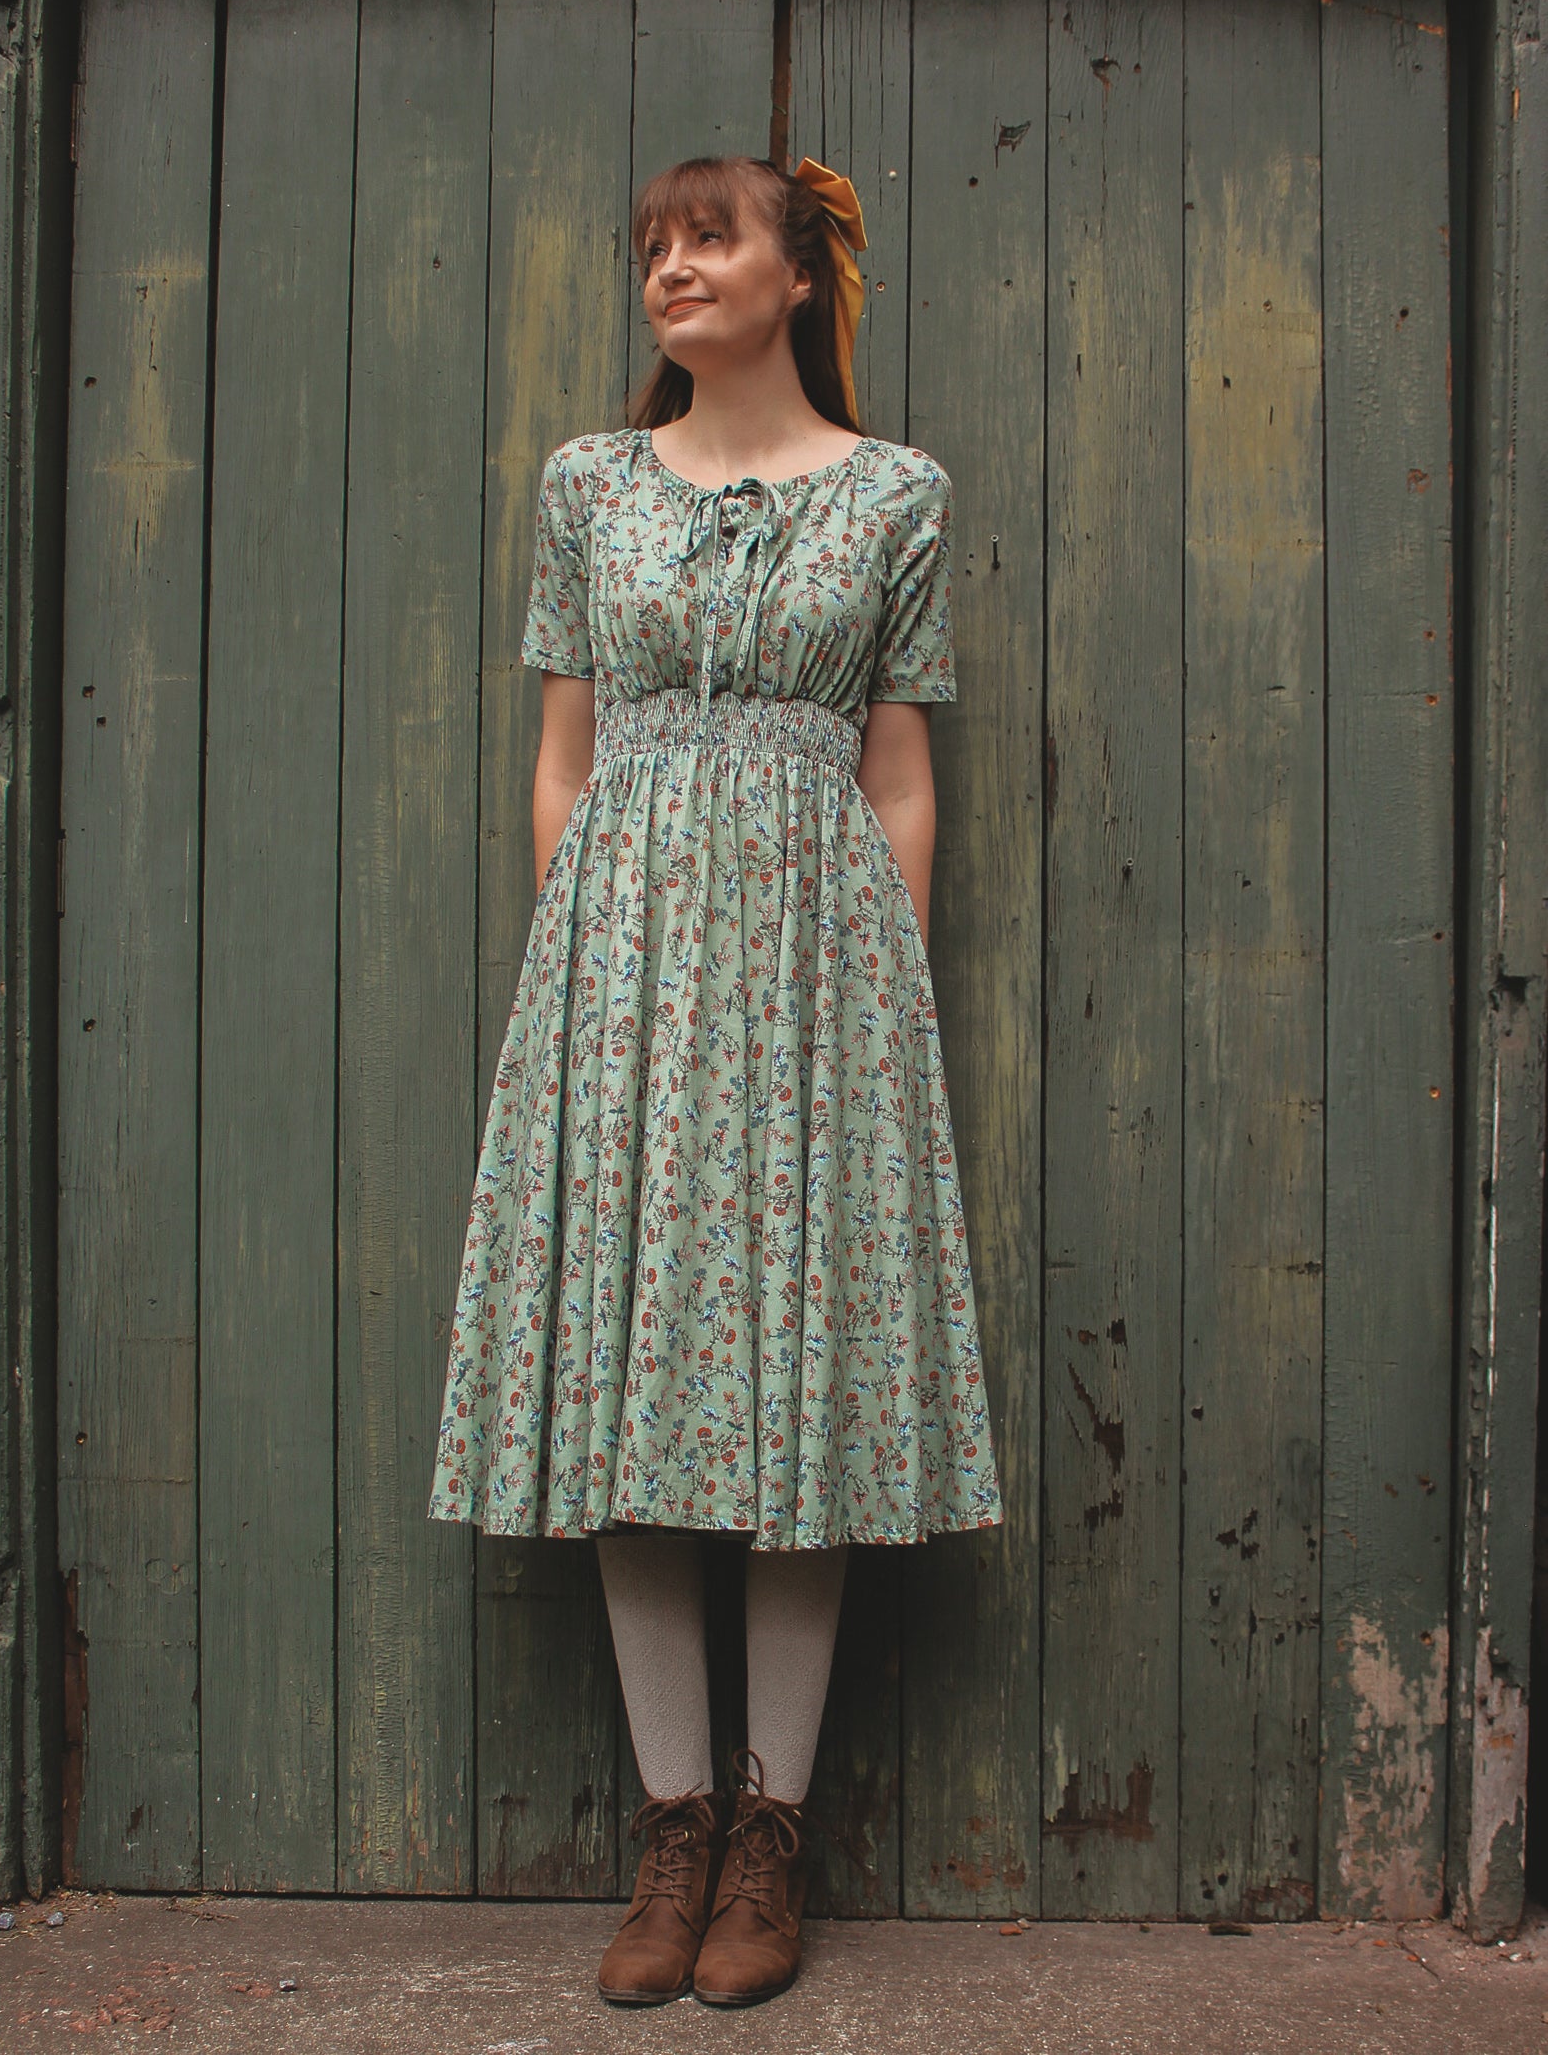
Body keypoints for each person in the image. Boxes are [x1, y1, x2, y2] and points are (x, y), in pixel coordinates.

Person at [428, 151, 1002, 2010]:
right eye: (654, 247)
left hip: (825, 979)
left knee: (806, 1390)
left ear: (797, 268)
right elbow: (561, 754)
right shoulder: (587, 484)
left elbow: (899, 767)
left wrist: (884, 999)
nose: (675, 268)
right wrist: (584, 976)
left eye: (710, 238)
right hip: (627, 984)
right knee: (628, 1381)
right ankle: (671, 1822)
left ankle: (772, 1834)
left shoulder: (896, 492)